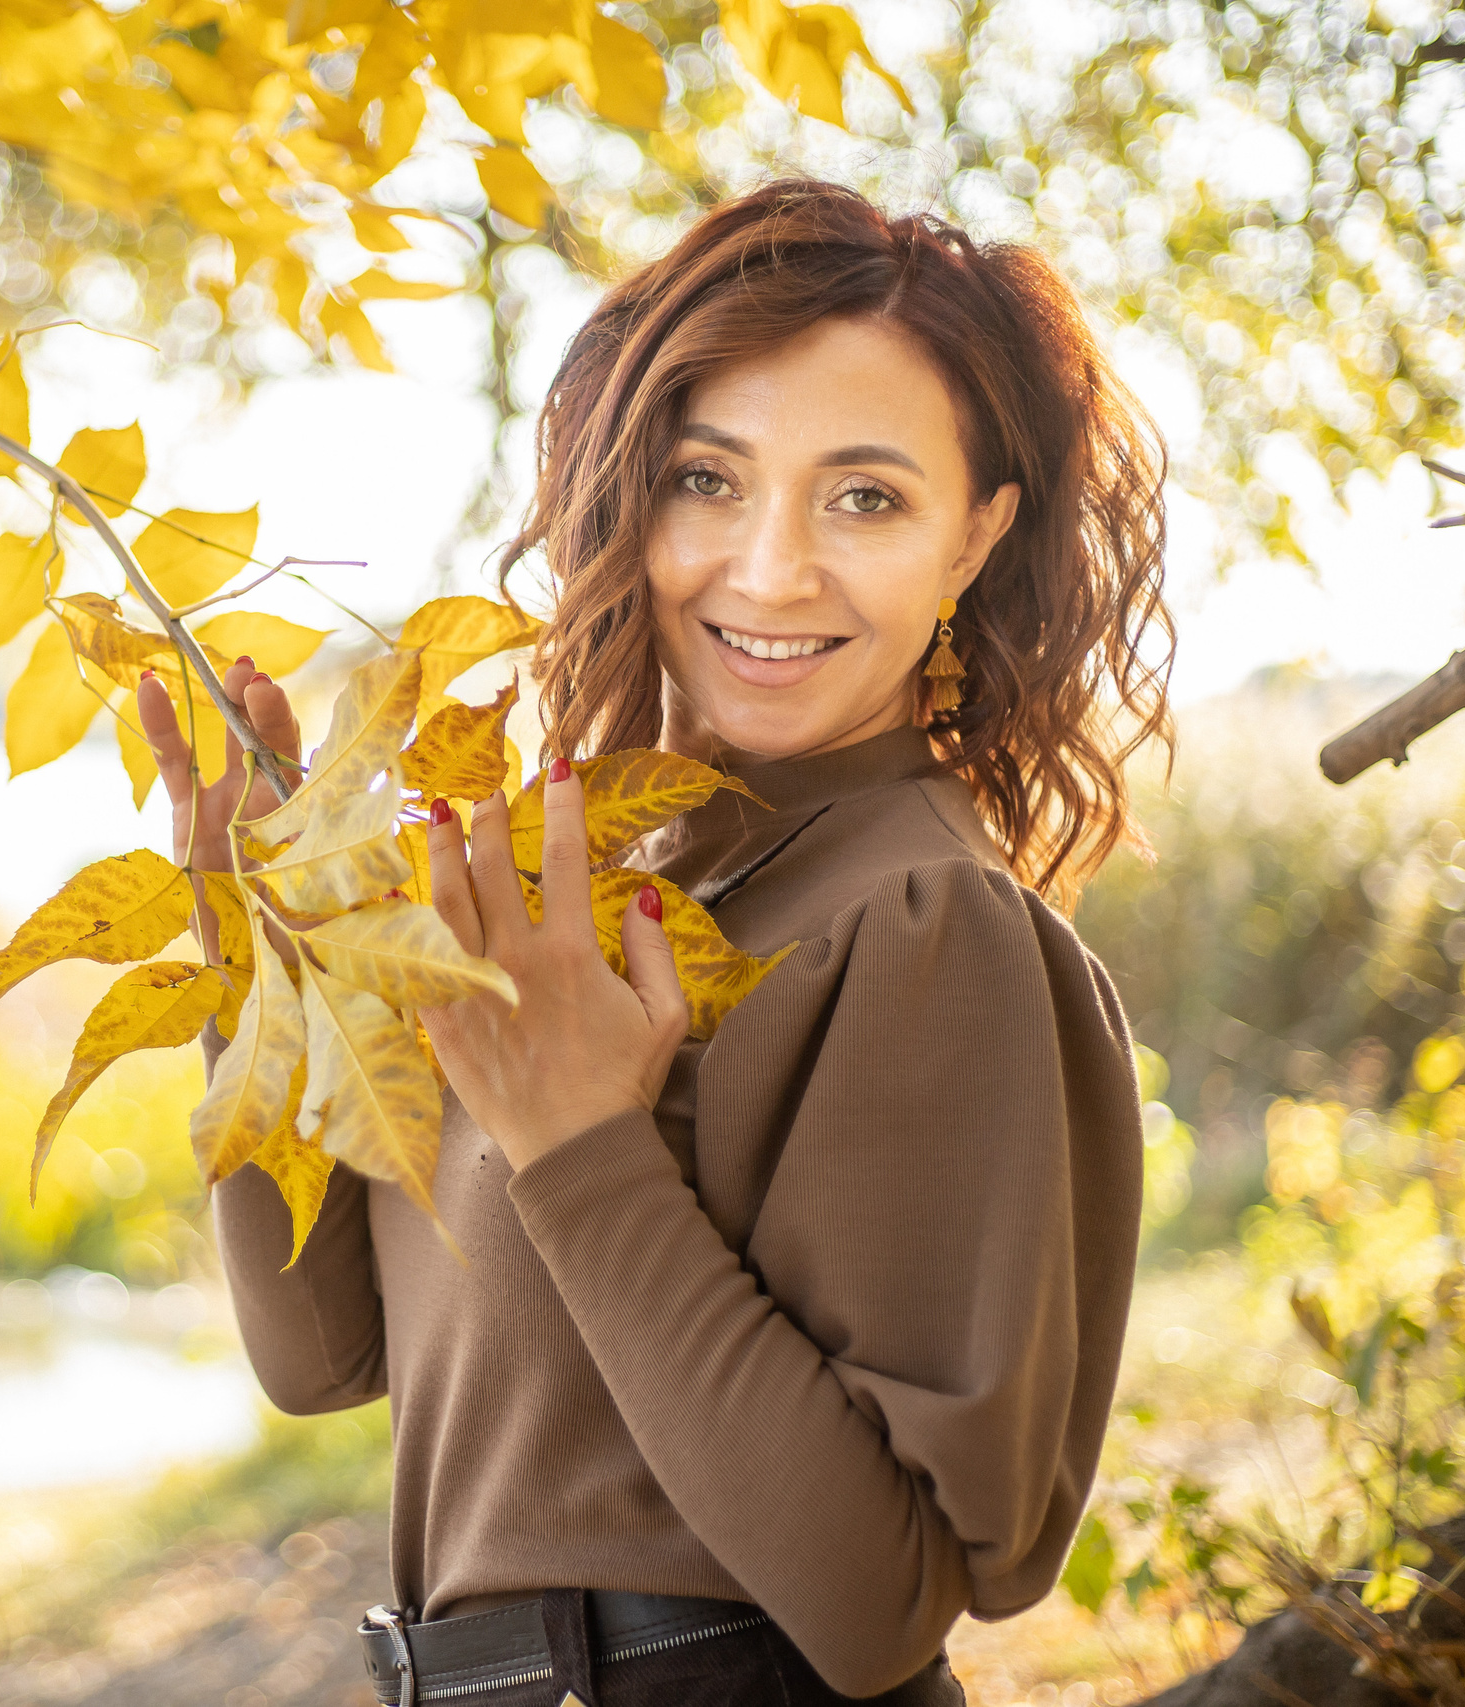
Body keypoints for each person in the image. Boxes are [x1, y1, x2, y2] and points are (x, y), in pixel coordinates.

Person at [137, 177, 1169, 1705]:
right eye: (711, 479)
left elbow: (881, 1606)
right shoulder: (580, 885)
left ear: (975, 538)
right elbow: (323, 1354)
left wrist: (577, 1141)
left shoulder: (920, 917)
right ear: (632, 492)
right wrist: (260, 946)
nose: (769, 570)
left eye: (866, 497)